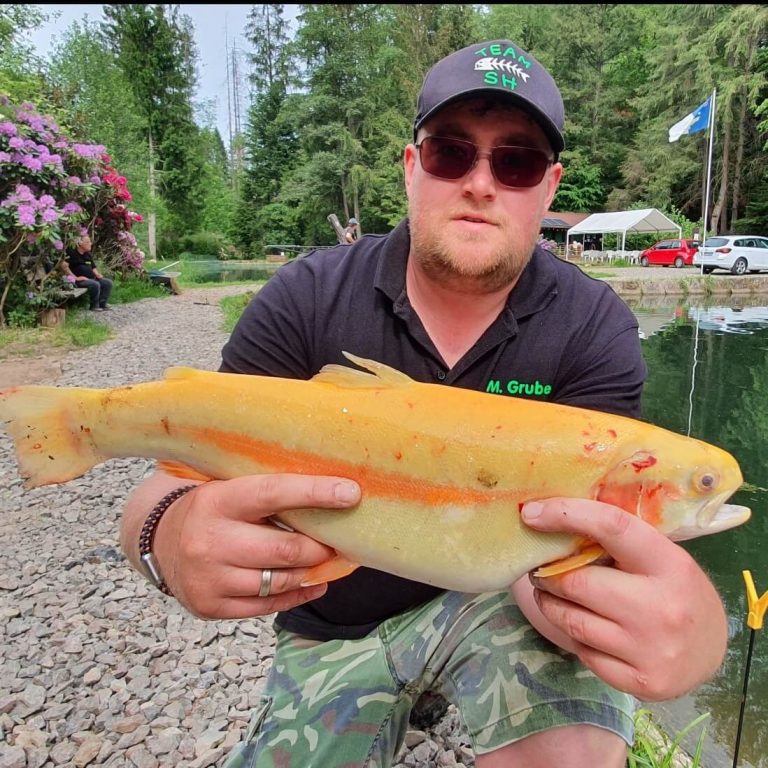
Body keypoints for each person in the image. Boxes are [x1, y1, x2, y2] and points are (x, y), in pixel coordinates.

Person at [119, 39, 729, 768]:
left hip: (502, 605)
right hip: (327, 630)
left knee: (574, 749)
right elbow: (167, 482)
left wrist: (679, 637)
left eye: (516, 162)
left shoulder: (593, 328)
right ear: (412, 169)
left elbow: (559, 579)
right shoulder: (306, 298)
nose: (480, 183)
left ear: (549, 187)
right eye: (450, 153)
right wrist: (165, 540)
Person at [62, 233, 113, 311]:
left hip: (91, 278)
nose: (90, 244)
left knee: (107, 282)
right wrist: (75, 278)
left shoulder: (87, 254)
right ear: (80, 244)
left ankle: (102, 304)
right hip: (78, 281)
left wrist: (97, 274)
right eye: (88, 242)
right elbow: (64, 266)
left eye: (90, 242)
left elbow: (93, 267)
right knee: (95, 284)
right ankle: (94, 306)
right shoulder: (72, 253)